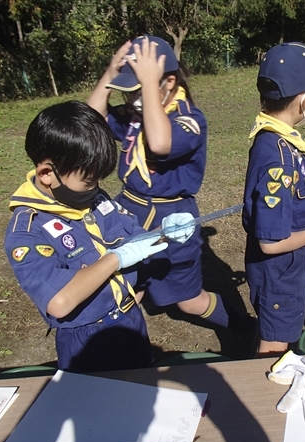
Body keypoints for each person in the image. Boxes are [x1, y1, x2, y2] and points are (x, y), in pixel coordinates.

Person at [87, 35, 256, 349]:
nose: (133, 99)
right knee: (125, 286)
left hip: (171, 221)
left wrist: (149, 86)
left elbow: (161, 143)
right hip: (130, 213)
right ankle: (116, 349)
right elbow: (92, 121)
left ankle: (241, 325)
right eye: (130, 91)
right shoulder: (137, 118)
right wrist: (111, 74)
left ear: (169, 82)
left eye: (140, 89)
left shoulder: (190, 120)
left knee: (187, 301)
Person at [4, 100, 194, 373]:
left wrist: (164, 234)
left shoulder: (94, 199)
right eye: (88, 181)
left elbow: (133, 239)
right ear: (47, 173)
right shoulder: (29, 231)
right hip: (87, 340)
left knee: (140, 395)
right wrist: (114, 260)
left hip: (129, 322)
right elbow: (59, 302)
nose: (95, 189)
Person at [242, 42, 305, 356]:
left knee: (275, 330)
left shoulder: (283, 142)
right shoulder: (278, 157)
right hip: (279, 272)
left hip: (288, 267)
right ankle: (260, 396)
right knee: (273, 347)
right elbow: (269, 243)